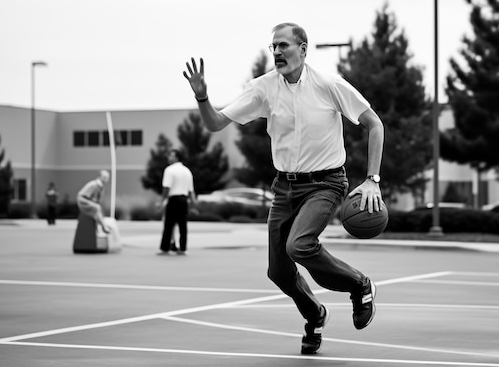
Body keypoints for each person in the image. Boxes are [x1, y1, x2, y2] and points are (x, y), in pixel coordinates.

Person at [182, 22, 385, 355]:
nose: (277, 52)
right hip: (285, 188)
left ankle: (359, 285)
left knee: (300, 245)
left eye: (283, 46)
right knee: (278, 271)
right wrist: (202, 96)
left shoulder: (329, 85)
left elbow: (374, 124)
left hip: (327, 182)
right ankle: (315, 315)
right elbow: (216, 123)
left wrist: (372, 180)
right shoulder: (263, 88)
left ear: (303, 49)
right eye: (273, 47)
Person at [157, 149, 196, 256]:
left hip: (174, 199)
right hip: (184, 200)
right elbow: (191, 191)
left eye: (171, 155)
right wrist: (193, 205)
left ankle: (165, 248)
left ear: (177, 157)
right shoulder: (187, 171)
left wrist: (161, 201)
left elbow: (166, 188)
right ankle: (183, 248)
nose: (168, 157)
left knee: (169, 224)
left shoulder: (169, 170)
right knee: (183, 225)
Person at [76, 170, 111, 235]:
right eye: (105, 177)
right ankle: (104, 226)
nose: (107, 179)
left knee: (99, 209)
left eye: (107, 177)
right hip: (83, 202)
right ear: (100, 177)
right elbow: (81, 196)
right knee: (97, 207)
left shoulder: (101, 187)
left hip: (91, 203)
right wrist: (92, 203)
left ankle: (99, 228)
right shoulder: (93, 185)